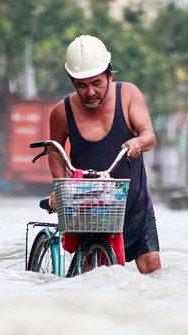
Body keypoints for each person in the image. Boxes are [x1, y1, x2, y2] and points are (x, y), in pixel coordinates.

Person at [48, 35, 161, 274]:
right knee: (92, 273)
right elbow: (54, 151)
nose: (89, 92)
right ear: (72, 82)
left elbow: (149, 136)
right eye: (81, 85)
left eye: (96, 83)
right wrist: (58, 188)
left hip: (132, 201)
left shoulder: (128, 95)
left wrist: (138, 142)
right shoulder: (61, 112)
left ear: (110, 74)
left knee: (152, 266)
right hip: (89, 203)